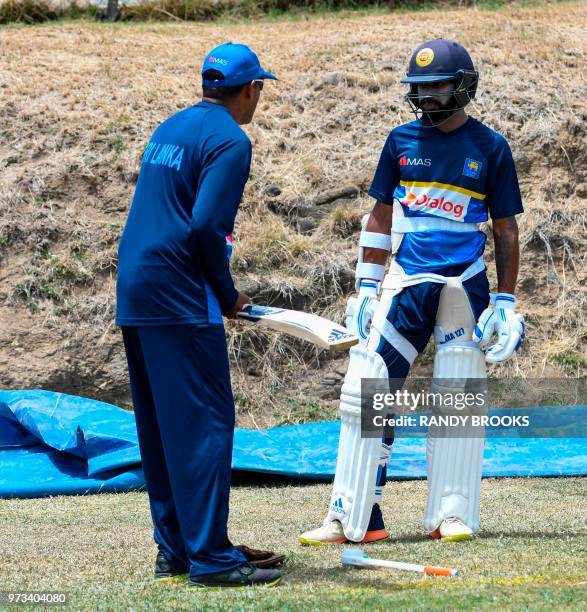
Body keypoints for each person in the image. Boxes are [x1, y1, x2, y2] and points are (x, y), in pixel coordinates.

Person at [300, 39, 525, 546]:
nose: (425, 96)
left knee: (459, 392)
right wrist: (364, 286)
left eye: (437, 86)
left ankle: (450, 514)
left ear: (464, 87)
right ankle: (351, 515)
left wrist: (507, 301)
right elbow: (380, 217)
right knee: (367, 381)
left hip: (463, 283)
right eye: (418, 88)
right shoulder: (400, 141)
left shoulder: (490, 148)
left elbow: (506, 229)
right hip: (405, 280)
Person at [115, 42, 284, 587]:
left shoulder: (171, 128)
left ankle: (179, 549)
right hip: (180, 295)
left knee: (162, 429)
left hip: (136, 290)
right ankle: (210, 557)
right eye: (260, 89)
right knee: (206, 425)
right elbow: (207, 227)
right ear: (251, 89)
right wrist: (228, 293)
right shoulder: (230, 140)